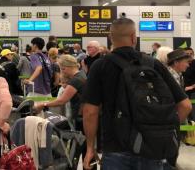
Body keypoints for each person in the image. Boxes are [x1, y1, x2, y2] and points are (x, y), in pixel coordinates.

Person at [82, 18, 192, 170]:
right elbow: (185, 105)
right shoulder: (153, 64)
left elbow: (90, 112)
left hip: (115, 147)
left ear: (110, 38)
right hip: (152, 147)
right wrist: (163, 129)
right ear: (134, 37)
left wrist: (90, 148)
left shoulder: (100, 66)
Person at [183, 47, 195, 120]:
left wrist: (192, 87)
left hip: (193, 92)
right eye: (187, 54)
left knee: (193, 115)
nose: (189, 55)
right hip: (183, 92)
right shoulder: (181, 64)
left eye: (191, 53)